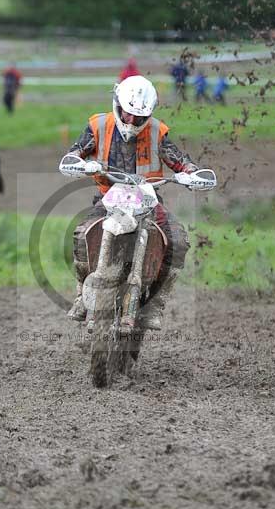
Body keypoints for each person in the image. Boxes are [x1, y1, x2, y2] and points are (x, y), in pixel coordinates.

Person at [59, 75, 200, 331]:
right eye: (127, 113)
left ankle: (156, 303)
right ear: (118, 104)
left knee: (178, 241)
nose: (132, 120)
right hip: (110, 199)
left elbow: (180, 160)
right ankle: (81, 294)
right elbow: (74, 152)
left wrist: (191, 173)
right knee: (81, 235)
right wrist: (77, 162)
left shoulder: (157, 132)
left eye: (139, 116)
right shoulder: (98, 125)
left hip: (147, 201)